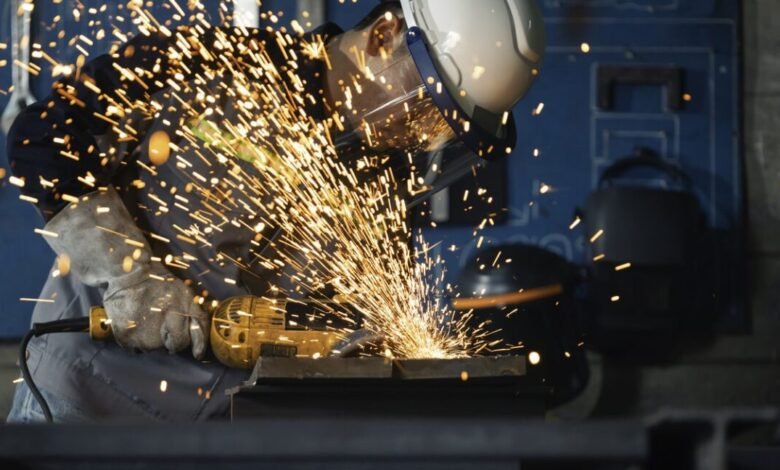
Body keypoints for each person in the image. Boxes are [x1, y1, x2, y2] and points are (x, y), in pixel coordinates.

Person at [6, 0, 545, 422]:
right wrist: (132, 275)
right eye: (427, 107)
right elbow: (41, 139)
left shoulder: (384, 180)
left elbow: (345, 322)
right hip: (86, 404)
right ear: (384, 36)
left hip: (228, 429)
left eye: (441, 131)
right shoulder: (216, 64)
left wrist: (360, 352)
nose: (423, 136)